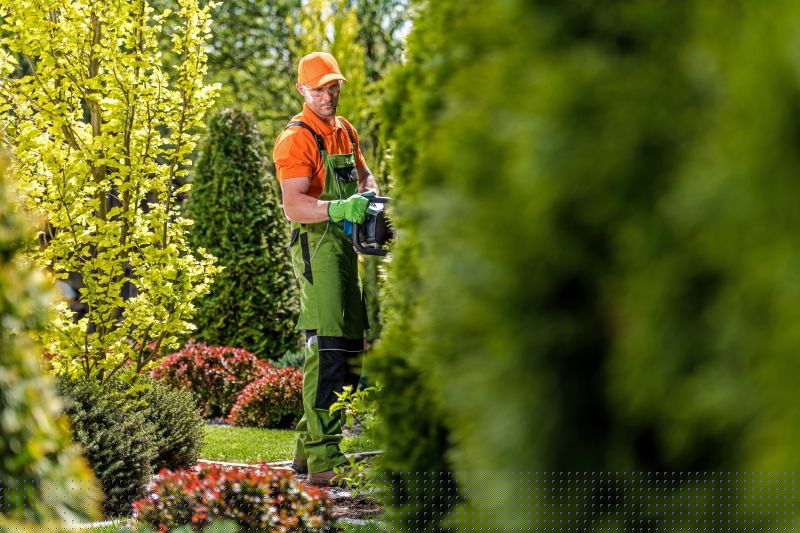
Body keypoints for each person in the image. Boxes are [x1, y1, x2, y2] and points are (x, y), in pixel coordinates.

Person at [272, 51, 379, 485]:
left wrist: (368, 199)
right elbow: (293, 205)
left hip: (346, 248)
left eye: (333, 86)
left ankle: (305, 451)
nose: (328, 95)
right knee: (331, 349)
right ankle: (323, 461)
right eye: (319, 89)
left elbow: (366, 175)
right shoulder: (294, 140)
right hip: (317, 251)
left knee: (351, 348)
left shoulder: (345, 131)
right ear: (302, 90)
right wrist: (339, 207)